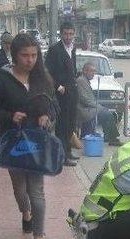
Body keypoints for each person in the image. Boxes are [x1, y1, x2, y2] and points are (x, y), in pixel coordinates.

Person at [0, 33, 56, 239]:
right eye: (25, 55)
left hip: (36, 141)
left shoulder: (43, 78)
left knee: (36, 190)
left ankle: (39, 237)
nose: (30, 60)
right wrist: (10, 116)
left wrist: (47, 116)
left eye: (34, 55)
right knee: (20, 189)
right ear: (15, 55)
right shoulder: (2, 78)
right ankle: (25, 213)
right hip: (12, 142)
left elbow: (55, 106)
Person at [45, 21, 78, 165]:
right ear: (61, 33)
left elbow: (72, 69)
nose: (68, 36)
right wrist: (59, 87)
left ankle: (68, 151)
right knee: (62, 126)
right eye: (66, 33)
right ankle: (62, 156)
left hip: (72, 92)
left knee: (71, 123)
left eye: (71, 33)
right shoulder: (55, 50)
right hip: (61, 93)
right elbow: (47, 72)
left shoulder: (73, 48)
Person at [76, 62, 122, 146]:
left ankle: (111, 137)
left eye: (94, 71)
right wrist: (99, 107)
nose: (93, 74)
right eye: (91, 71)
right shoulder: (81, 81)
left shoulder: (84, 80)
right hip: (83, 110)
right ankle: (112, 138)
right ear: (85, 71)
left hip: (87, 108)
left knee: (106, 112)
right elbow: (86, 100)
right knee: (107, 114)